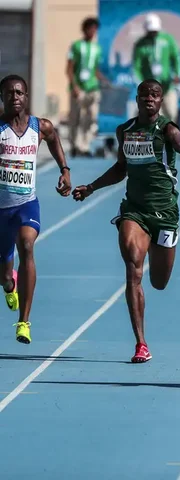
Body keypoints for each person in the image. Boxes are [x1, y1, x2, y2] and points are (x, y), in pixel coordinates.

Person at [72, 79, 180, 363]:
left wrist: (178, 143)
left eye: (155, 95)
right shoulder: (125, 131)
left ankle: (154, 267)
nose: (149, 98)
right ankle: (141, 344)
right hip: (134, 210)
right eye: (144, 94)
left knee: (159, 282)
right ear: (137, 99)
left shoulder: (168, 130)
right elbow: (121, 168)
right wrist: (91, 187)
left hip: (165, 213)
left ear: (161, 101)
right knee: (133, 267)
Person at [0, 74, 72, 344]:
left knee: (27, 246)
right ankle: (10, 283)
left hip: (26, 204)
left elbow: (53, 139)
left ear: (26, 97)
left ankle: (23, 321)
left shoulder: (39, 127)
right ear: (3, 98)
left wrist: (64, 170)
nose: (15, 97)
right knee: (4, 276)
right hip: (1, 212)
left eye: (19, 93)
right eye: (9, 93)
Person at [66, 16, 108, 157]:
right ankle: (74, 145)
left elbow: (94, 69)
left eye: (94, 29)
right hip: (79, 88)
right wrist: (75, 86)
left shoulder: (97, 49)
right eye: (90, 28)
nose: (92, 31)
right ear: (84, 30)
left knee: (91, 116)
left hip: (92, 88)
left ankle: (84, 145)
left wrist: (104, 80)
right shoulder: (76, 46)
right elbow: (70, 69)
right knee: (76, 118)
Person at [131, 13, 180, 122]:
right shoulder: (141, 44)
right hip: (150, 89)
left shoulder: (168, 39)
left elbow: (176, 58)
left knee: (171, 113)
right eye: (150, 31)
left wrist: (178, 74)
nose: (153, 33)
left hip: (167, 85)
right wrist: (140, 82)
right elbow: (136, 66)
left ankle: (169, 136)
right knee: (150, 115)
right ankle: (151, 137)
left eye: (155, 31)